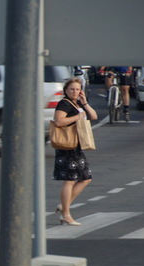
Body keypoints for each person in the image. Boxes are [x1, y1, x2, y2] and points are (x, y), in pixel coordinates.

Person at [52, 77, 98, 226]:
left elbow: (94, 116)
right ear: (66, 90)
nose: (75, 91)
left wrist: (84, 102)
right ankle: (66, 214)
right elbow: (58, 121)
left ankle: (64, 205)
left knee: (86, 178)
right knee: (70, 180)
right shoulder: (64, 103)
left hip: (76, 146)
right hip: (67, 146)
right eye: (72, 89)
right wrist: (77, 116)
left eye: (78, 89)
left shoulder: (77, 103)